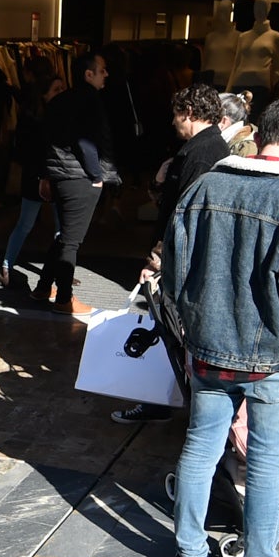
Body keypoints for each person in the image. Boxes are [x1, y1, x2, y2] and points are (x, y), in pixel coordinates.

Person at [164, 97, 279, 557]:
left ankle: (188, 554)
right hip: (273, 361)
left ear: (258, 134)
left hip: (208, 351)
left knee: (200, 448)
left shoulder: (205, 185)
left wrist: (194, 326)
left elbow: (174, 271)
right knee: (265, 465)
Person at [115, 85, 235, 426]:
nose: (173, 121)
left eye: (176, 114)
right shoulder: (204, 149)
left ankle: (174, 405)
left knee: (174, 335)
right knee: (173, 334)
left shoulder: (202, 154)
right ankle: (168, 402)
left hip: (184, 264)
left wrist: (157, 261)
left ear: (190, 113)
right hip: (187, 261)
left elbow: (184, 216)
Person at [39, 52, 112, 315]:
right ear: (88, 74)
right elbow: (86, 142)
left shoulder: (59, 100)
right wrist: (97, 175)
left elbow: (45, 139)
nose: (106, 75)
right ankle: (64, 299)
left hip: (60, 175)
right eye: (102, 70)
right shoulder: (90, 100)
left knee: (65, 236)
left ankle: (44, 287)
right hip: (78, 177)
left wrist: (45, 175)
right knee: (71, 241)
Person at [0, 78, 62, 289]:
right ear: (44, 93)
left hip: (49, 176)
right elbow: (25, 152)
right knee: (27, 223)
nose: (61, 92)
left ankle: (59, 269)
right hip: (39, 177)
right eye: (56, 89)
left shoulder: (52, 115)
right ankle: (6, 266)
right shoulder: (34, 118)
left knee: (60, 226)